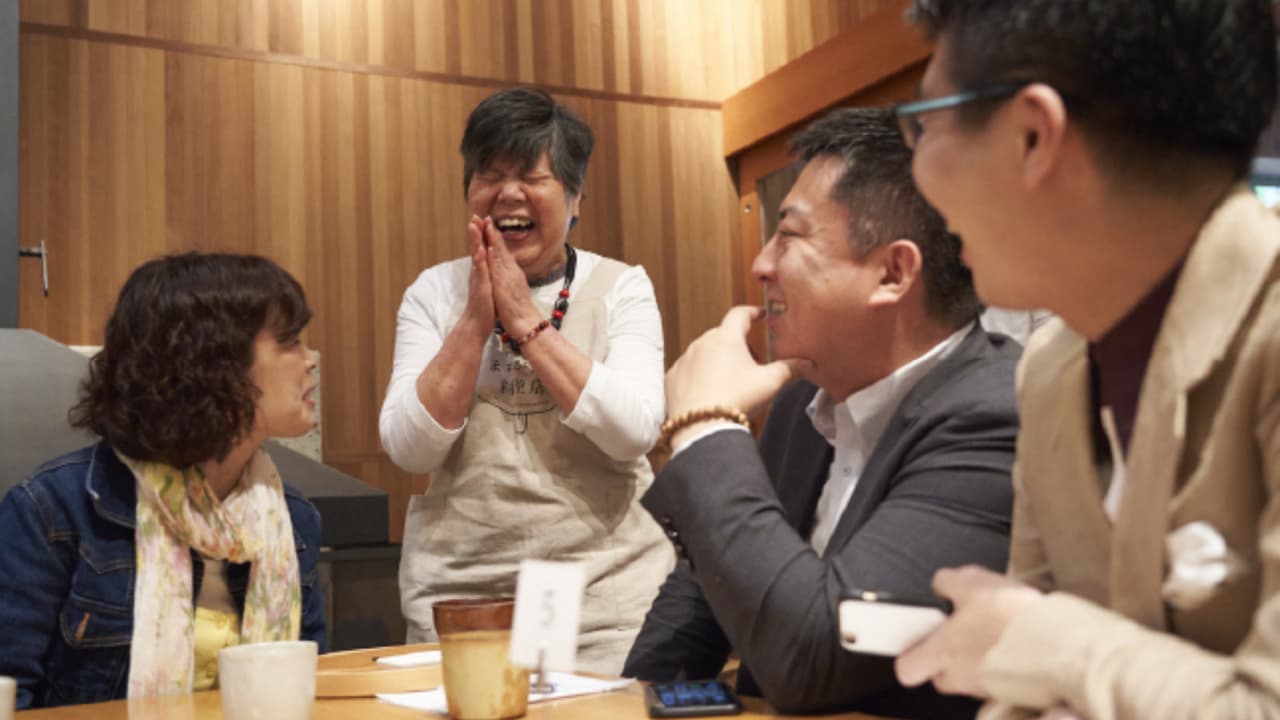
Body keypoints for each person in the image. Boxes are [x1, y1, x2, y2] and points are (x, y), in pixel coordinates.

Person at [890, 2, 1280, 718]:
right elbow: (1020, 694)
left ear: (1034, 135)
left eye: (926, 124)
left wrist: (1038, 638)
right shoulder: (1050, 370)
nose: (918, 168)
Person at [622, 107, 1020, 718]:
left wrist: (705, 428)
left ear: (892, 272)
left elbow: (813, 656)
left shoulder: (996, 416)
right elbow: (712, 588)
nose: (761, 264)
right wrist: (625, 701)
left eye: (790, 235)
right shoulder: (800, 401)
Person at [380, 86, 671, 674]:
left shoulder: (623, 287)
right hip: (463, 598)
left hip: (603, 600)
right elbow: (408, 447)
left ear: (574, 196)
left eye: (532, 176)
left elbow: (635, 429)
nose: (507, 193)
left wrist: (526, 321)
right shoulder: (433, 293)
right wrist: (474, 321)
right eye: (489, 175)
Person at [0, 253, 327, 709]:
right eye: (290, 341)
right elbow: (8, 695)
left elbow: (312, 691)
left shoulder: (293, 518)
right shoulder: (52, 512)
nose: (311, 360)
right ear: (217, 363)